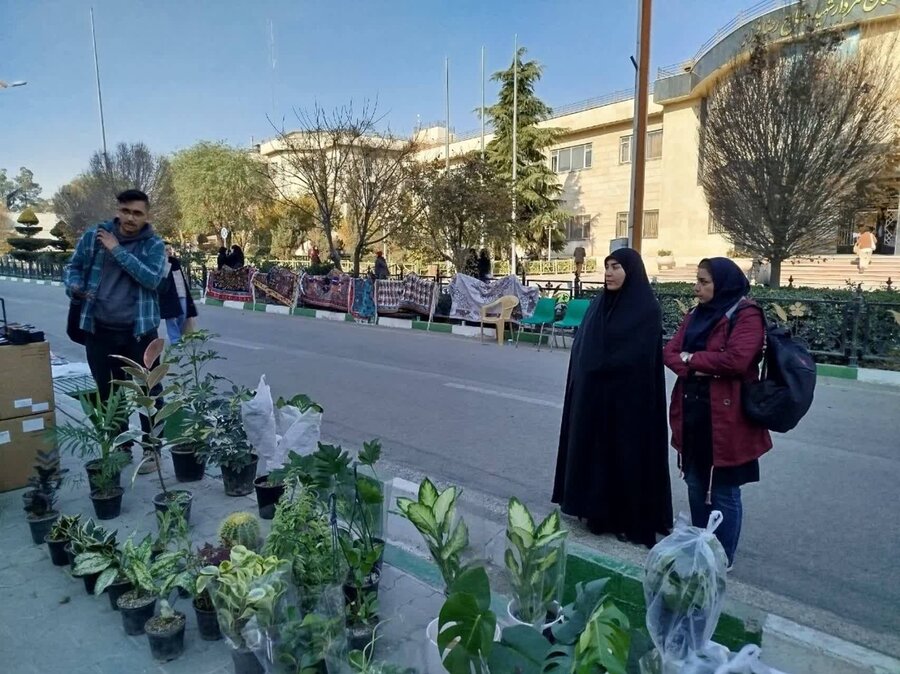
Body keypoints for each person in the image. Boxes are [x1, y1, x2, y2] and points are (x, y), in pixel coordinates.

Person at [553, 248, 673, 548]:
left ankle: (623, 516)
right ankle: (594, 509)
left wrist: (603, 367)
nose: (608, 273)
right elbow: (583, 348)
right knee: (596, 455)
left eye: (616, 267)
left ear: (630, 271)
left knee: (624, 458)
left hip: (628, 404)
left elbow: (639, 360)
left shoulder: (646, 310)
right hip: (595, 399)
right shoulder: (599, 305)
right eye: (606, 267)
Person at [663, 257, 772, 570]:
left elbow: (737, 360)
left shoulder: (746, 314)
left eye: (704, 282)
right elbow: (670, 352)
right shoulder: (697, 314)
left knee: (723, 490)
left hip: (727, 420)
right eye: (696, 280)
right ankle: (701, 549)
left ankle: (721, 561)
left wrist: (692, 359)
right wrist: (701, 364)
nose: (696, 288)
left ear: (722, 283)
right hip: (693, 412)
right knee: (696, 484)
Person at [64, 189, 167, 473]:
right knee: (109, 393)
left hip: (140, 333)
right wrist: (73, 286)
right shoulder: (95, 237)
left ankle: (152, 450)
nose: (130, 218)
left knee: (150, 392)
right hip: (100, 331)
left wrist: (117, 250)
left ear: (147, 216)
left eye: (137, 213)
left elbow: (151, 279)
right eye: (125, 211)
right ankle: (121, 447)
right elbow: (73, 267)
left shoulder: (154, 245)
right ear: (118, 209)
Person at [159, 244, 198, 344]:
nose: (169, 251)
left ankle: (179, 335)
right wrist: (165, 262)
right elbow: (162, 277)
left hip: (181, 291)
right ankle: (175, 339)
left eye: (170, 249)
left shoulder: (175, 262)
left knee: (183, 314)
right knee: (171, 317)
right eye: (166, 250)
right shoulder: (160, 263)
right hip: (168, 294)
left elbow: (181, 276)